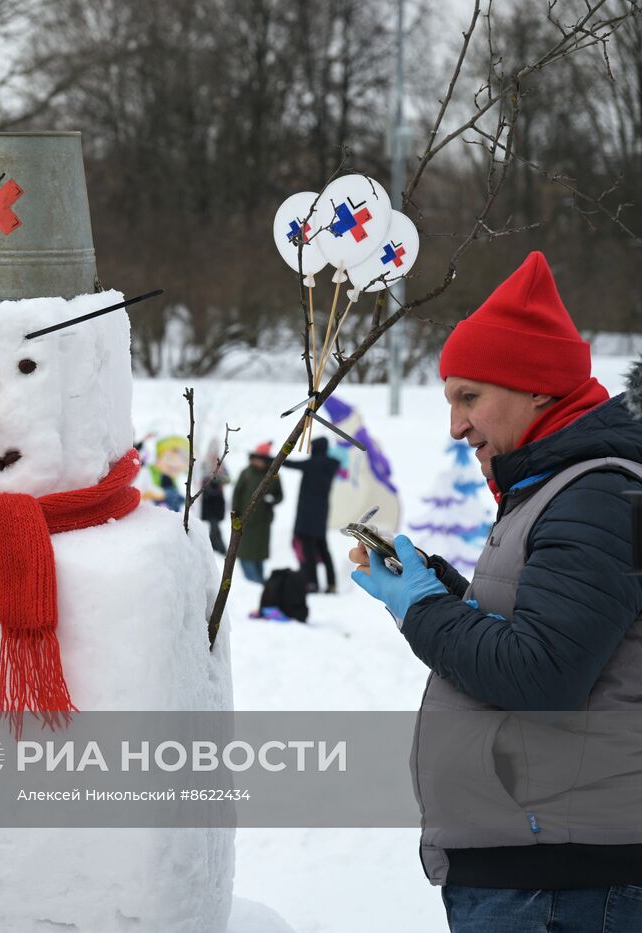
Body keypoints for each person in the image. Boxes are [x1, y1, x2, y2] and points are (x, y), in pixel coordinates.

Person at [350, 252, 642, 932]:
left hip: (565, 881)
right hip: (547, 865)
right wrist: (447, 590)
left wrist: (424, 609)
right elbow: (552, 630)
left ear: (537, 388)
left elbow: (543, 673)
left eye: (469, 397)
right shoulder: (559, 488)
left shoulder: (595, 494)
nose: (455, 426)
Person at [283, 436, 340, 593]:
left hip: (306, 515)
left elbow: (289, 463)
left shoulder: (312, 463)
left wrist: (272, 459)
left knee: (308, 551)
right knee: (323, 549)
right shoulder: (330, 465)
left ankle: (312, 583)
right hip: (321, 514)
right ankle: (332, 583)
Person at [231, 442, 282, 584]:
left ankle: (259, 584)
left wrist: (272, 500)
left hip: (263, 523)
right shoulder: (246, 473)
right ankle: (255, 583)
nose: (259, 462)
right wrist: (236, 515)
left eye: (262, 459)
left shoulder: (274, 475)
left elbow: (279, 496)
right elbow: (236, 494)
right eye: (256, 458)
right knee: (245, 554)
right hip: (245, 521)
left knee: (258, 556)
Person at [137, 435, 189, 511]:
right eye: (169, 458)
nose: (174, 462)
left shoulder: (172, 479)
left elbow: (178, 499)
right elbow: (141, 491)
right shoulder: (147, 472)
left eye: (182, 459)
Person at [198, 444, 231, 555]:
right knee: (213, 524)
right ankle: (217, 548)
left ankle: (217, 548)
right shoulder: (204, 464)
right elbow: (199, 479)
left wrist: (218, 479)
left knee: (215, 525)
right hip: (208, 500)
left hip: (218, 500)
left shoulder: (222, 464)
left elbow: (227, 479)